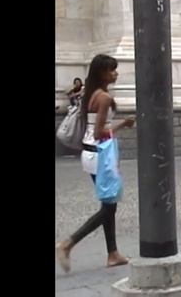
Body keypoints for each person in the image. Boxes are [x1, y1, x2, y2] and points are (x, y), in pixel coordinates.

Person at [55, 54, 135, 273]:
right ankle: (67, 244)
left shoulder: (91, 94)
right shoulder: (104, 98)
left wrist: (118, 124)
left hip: (90, 153)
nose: (115, 73)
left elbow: (94, 127)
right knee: (109, 207)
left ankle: (113, 253)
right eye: (112, 70)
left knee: (109, 204)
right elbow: (101, 132)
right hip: (101, 152)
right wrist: (122, 125)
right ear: (102, 73)